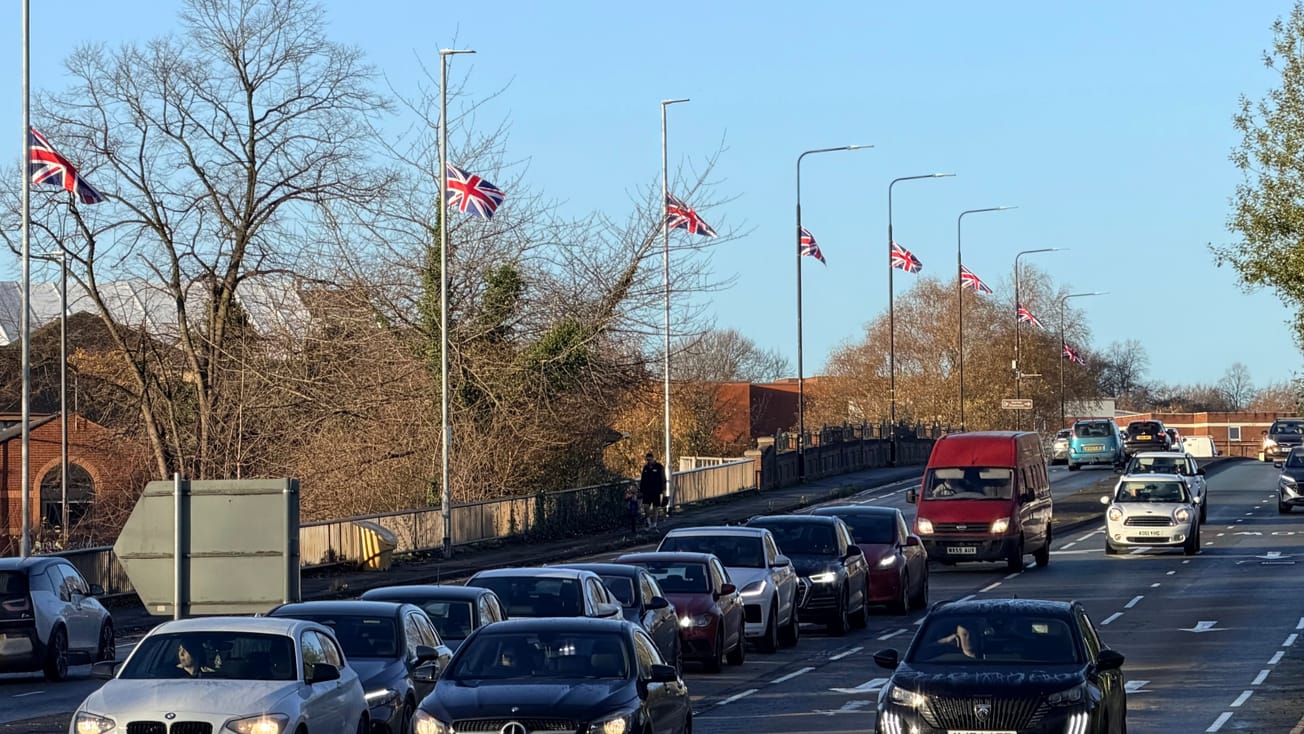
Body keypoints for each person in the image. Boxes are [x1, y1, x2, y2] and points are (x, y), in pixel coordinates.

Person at [639, 452, 667, 529]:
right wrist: (641, 491)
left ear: (653, 459)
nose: (649, 461)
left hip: (656, 491)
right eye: (647, 460)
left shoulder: (659, 467)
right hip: (647, 491)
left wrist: (664, 493)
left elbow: (663, 480)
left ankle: (654, 524)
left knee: (655, 507)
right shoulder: (645, 468)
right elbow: (643, 480)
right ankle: (648, 521)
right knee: (646, 506)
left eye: (650, 460)